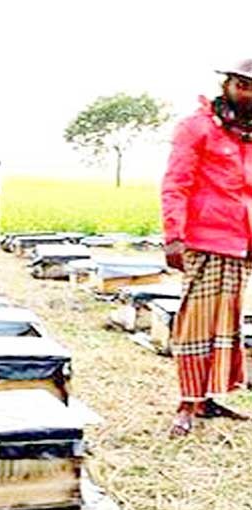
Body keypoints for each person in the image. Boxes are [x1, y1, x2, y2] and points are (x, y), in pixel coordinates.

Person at [161, 58, 252, 437]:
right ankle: (186, 402)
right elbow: (176, 182)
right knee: (195, 325)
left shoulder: (248, 134)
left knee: (225, 328)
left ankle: (206, 398)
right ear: (227, 85)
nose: (248, 93)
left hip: (239, 243)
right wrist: (174, 237)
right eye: (242, 85)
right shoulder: (196, 127)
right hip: (202, 239)